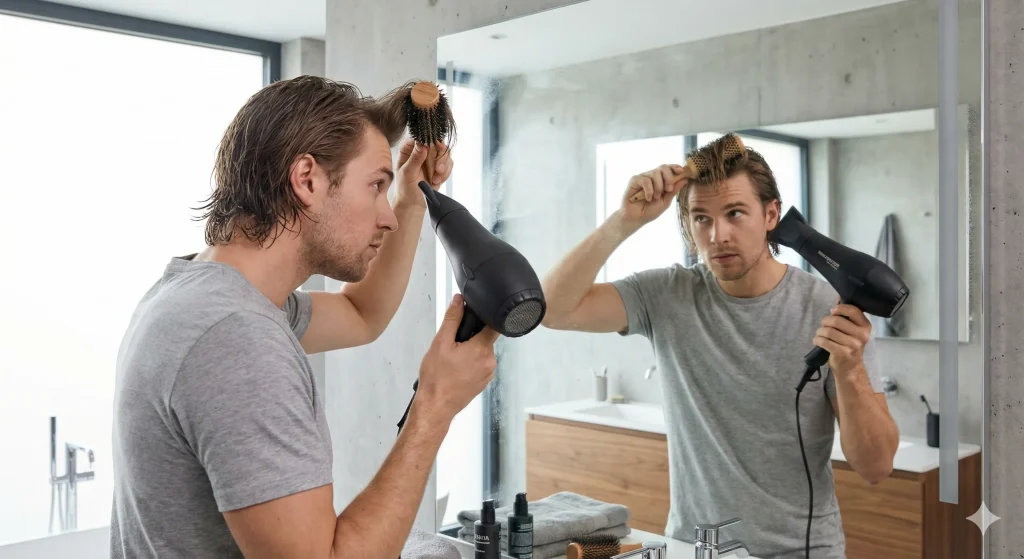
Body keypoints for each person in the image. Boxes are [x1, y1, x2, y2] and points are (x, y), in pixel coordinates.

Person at [110, 75, 498, 559]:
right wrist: (435, 404)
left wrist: (409, 197)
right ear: (307, 179)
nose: (387, 216)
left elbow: (361, 314)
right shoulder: (237, 339)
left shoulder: (204, 295)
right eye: (376, 185)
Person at [540, 139, 899, 558]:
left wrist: (851, 368)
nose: (718, 235)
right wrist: (623, 221)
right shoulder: (666, 295)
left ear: (770, 215)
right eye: (701, 218)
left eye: (735, 214)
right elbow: (552, 310)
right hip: (696, 549)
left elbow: (876, 466)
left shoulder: (828, 310)